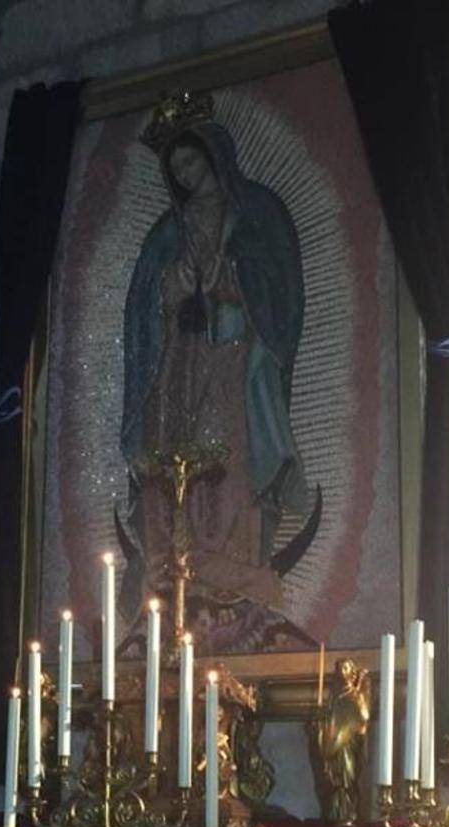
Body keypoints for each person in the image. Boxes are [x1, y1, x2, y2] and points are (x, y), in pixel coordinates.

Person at [119, 105, 311, 640]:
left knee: (229, 452)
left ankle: (233, 563)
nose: (184, 175)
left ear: (213, 159)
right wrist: (168, 288)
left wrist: (235, 280)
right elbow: (141, 306)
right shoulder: (167, 232)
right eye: (176, 169)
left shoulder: (253, 214)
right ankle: (171, 566)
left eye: (191, 164)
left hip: (232, 358)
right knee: (172, 455)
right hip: (177, 362)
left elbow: (278, 289)